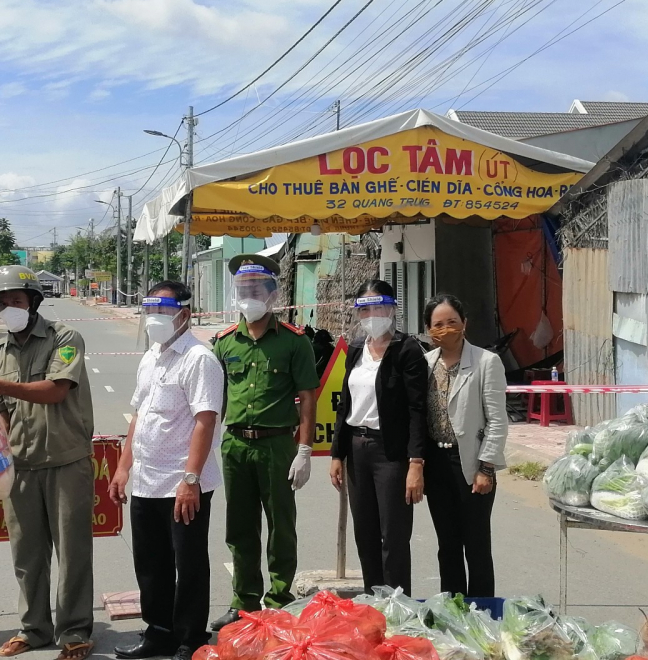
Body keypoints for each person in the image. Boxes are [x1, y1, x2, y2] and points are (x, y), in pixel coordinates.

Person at [0, 264, 96, 660]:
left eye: (17, 301)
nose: (10, 308)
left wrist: (0, 387)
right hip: (19, 465)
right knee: (27, 554)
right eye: (2, 303)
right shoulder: (1, 354)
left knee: (72, 552)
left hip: (66, 461)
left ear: (34, 302)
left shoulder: (65, 338)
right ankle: (34, 628)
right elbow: (0, 408)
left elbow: (57, 391)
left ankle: (74, 629)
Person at [109, 280, 223, 660]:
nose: (154, 319)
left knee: (188, 563)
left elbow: (205, 421)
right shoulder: (151, 358)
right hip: (146, 478)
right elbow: (138, 417)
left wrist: (190, 478)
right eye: (150, 311)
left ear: (184, 314)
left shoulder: (199, 359)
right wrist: (123, 467)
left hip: (182, 482)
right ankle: (159, 631)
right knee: (151, 562)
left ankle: (191, 641)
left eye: (163, 311)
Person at [210, 254, 318, 628]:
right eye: (242, 289)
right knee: (239, 527)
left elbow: (308, 396)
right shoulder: (224, 343)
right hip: (235, 445)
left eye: (256, 289)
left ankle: (279, 599)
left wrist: (304, 449)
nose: (248, 296)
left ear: (272, 294)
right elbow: (215, 399)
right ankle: (244, 600)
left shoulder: (293, 342)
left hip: (277, 445)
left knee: (281, 525)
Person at [328, 281, 428, 594]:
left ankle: (398, 606)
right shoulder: (356, 349)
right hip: (358, 451)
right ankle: (373, 601)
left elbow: (417, 410)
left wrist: (416, 462)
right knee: (365, 533)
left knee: (394, 536)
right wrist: (336, 454)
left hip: (392, 454)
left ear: (392, 309)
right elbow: (345, 403)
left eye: (378, 306)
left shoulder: (407, 350)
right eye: (365, 308)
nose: (373, 314)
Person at [422, 293, 508, 598]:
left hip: (471, 464)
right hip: (436, 464)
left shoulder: (487, 362)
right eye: (438, 324)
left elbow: (497, 420)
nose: (446, 329)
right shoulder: (426, 364)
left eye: (452, 322)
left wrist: (486, 467)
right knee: (447, 546)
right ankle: (453, 612)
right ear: (429, 329)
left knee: (476, 545)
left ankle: (483, 615)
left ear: (464, 324)